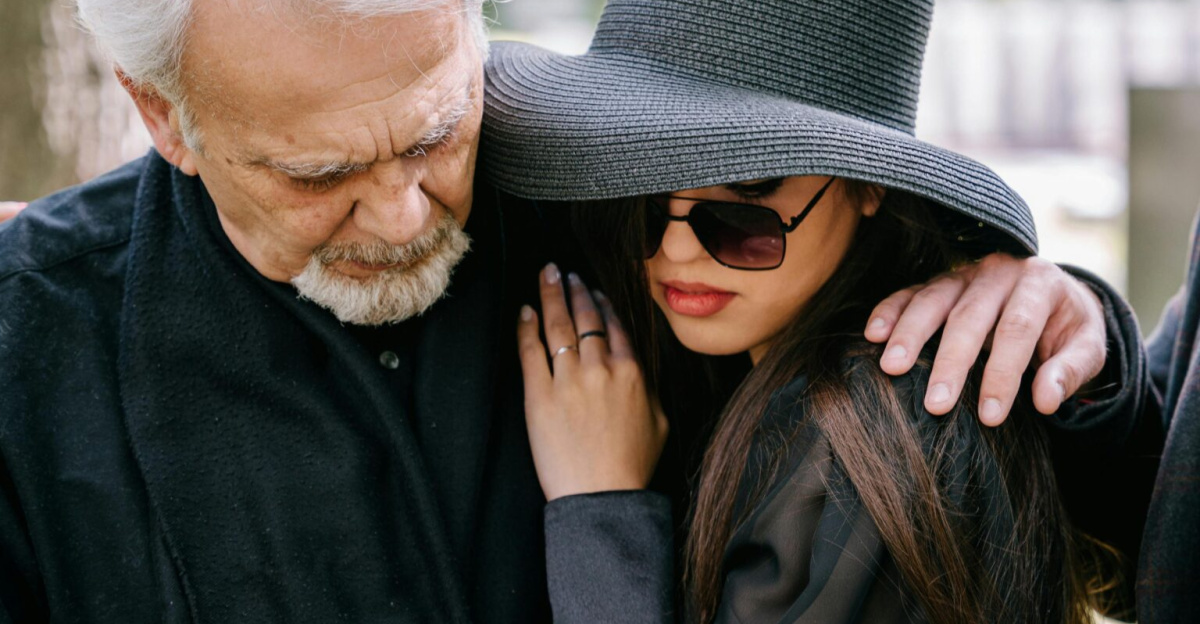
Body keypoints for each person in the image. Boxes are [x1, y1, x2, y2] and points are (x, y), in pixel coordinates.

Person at [0, 0, 1136, 622]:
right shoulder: (30, 351)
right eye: (315, 175)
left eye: (435, 134)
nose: (402, 216)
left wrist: (1063, 338)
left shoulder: (593, 209)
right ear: (164, 116)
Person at [481, 0, 1159, 621]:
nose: (678, 249)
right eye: (642, 191)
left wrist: (603, 514)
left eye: (748, 193)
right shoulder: (746, 379)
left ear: (868, 185)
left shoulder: (867, 440)